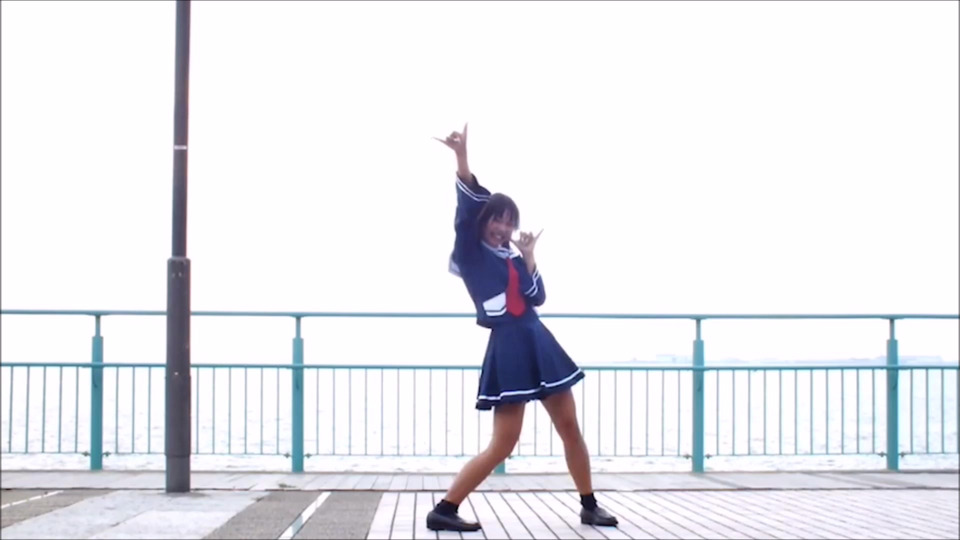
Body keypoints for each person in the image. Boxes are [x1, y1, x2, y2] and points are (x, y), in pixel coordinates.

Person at [425, 124, 619, 532]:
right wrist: (462, 159)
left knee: (570, 428)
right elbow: (465, 215)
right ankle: (445, 508)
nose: (502, 228)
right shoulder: (471, 254)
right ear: (484, 221)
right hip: (510, 347)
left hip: (538, 341)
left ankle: (589, 504)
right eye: (496, 220)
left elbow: (537, 296)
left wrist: (529, 257)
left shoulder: (512, 258)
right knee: (504, 443)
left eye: (509, 223)